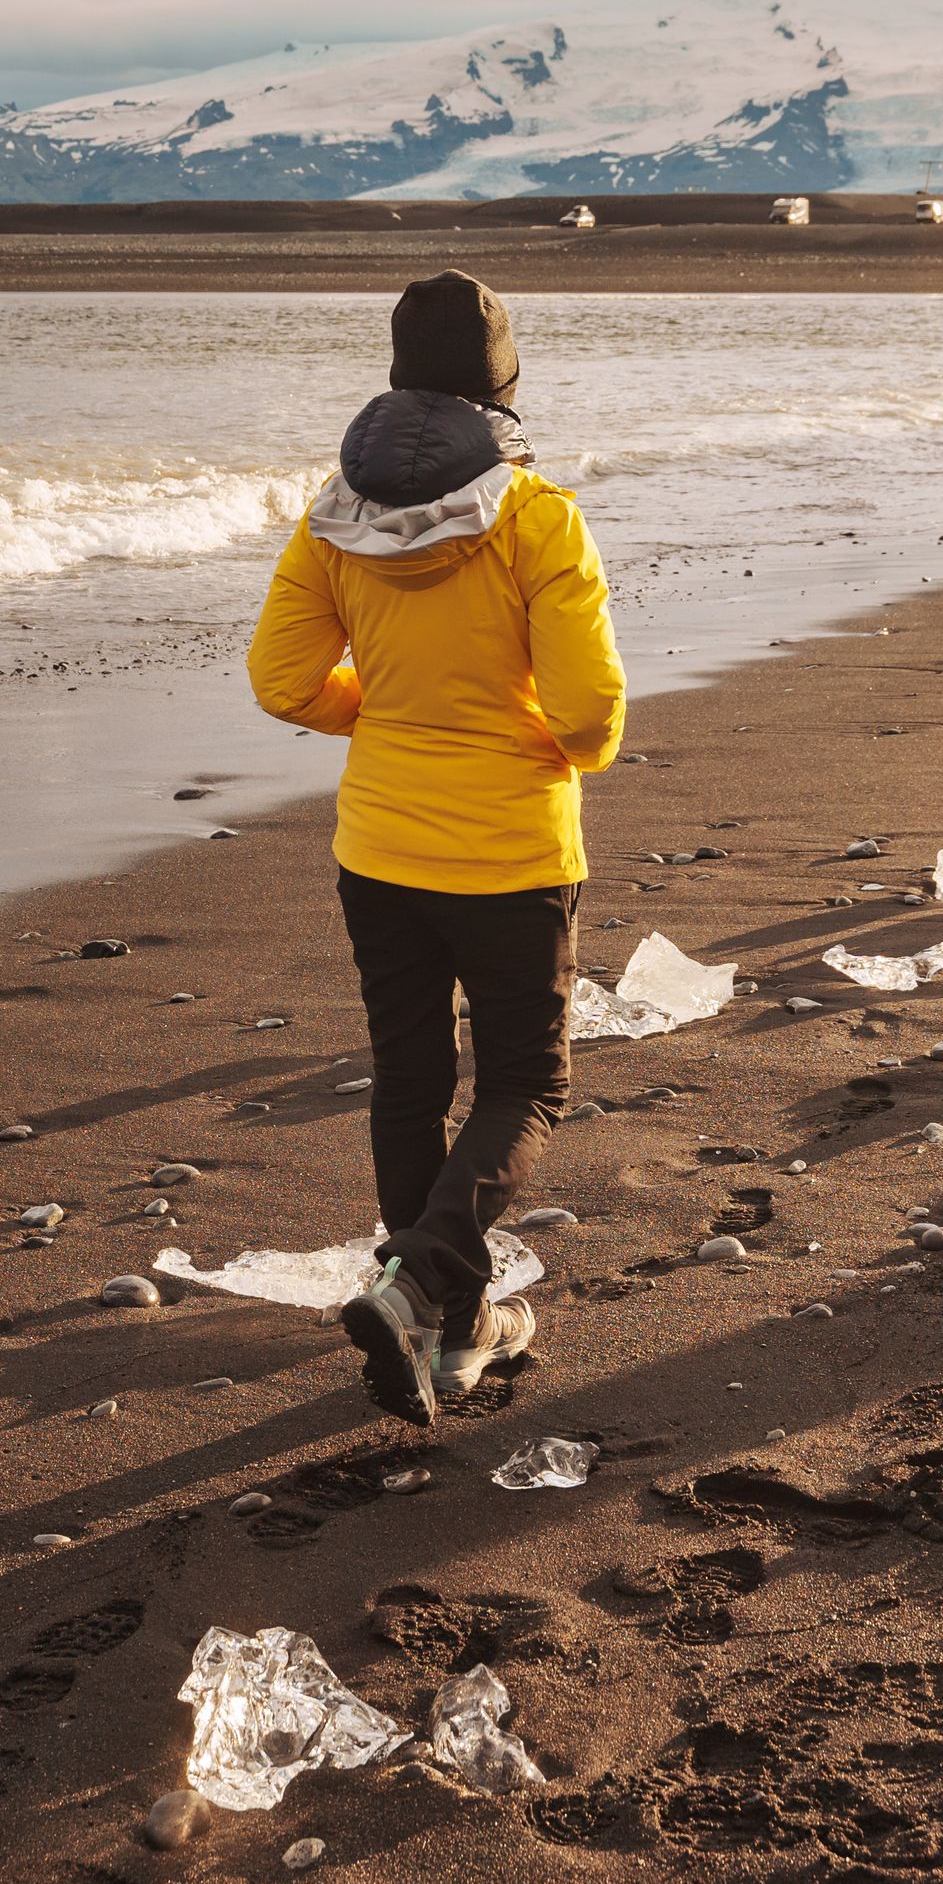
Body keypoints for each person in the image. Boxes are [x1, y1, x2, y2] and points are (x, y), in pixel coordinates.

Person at [248, 272, 625, 1426]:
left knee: (410, 1079)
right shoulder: (537, 513)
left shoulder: (331, 517)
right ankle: (422, 1287)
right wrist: (526, 738)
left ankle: (447, 1324)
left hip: (381, 849)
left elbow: (283, 682)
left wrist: (390, 708)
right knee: (525, 1084)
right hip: (512, 851)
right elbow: (586, 713)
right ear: (501, 386)